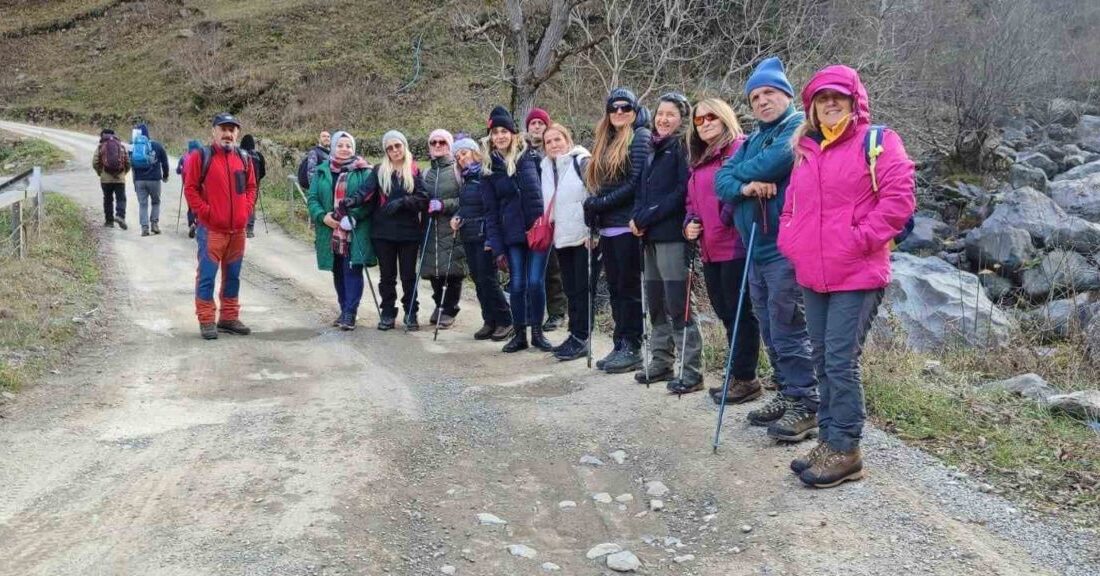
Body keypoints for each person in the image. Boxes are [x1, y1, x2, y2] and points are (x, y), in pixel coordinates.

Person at [780, 65, 915, 487]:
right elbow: (791, 209)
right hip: (813, 273)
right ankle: (828, 439)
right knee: (822, 358)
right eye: (822, 98)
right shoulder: (805, 150)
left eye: (838, 96)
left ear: (855, 101)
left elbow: (899, 199)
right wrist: (792, 242)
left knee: (840, 360)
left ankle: (847, 449)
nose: (830, 103)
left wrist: (859, 240)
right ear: (812, 108)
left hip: (858, 271)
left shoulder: (878, 141)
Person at [715, 56, 819, 444]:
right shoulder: (754, 137)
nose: (761, 101)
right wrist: (745, 186)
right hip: (754, 248)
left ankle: (807, 403)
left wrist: (744, 173)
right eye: (755, 96)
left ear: (788, 95)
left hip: (784, 248)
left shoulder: (797, 128)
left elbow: (778, 161)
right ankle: (786, 394)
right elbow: (721, 181)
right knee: (771, 328)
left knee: (788, 326)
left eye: (769, 93)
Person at [684, 98, 761, 403]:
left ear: (725, 117)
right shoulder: (700, 159)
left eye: (711, 117)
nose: (704, 123)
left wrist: (725, 217)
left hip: (736, 243)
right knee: (725, 312)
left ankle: (746, 378)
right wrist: (690, 222)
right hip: (710, 247)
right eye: (699, 120)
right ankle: (737, 373)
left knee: (741, 313)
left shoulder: (740, 148)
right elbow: (692, 202)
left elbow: (740, 189)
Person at [630, 92, 703, 393]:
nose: (663, 119)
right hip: (649, 237)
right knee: (656, 300)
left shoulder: (683, 149)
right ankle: (661, 361)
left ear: (681, 119)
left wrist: (646, 216)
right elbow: (641, 190)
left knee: (679, 302)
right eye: (660, 114)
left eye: (670, 114)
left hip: (673, 236)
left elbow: (680, 193)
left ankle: (692, 371)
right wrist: (636, 217)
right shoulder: (652, 148)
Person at [583, 88, 652, 374]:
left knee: (629, 288)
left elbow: (636, 182)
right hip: (609, 228)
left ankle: (633, 346)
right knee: (614, 289)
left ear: (635, 110)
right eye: (614, 108)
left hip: (627, 226)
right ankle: (620, 341)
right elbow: (603, 184)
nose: (620, 112)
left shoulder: (640, 137)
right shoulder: (606, 141)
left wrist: (599, 203)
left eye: (626, 108)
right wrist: (596, 214)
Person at [338, 130, 427, 331]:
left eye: (397, 146)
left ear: (404, 146)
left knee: (408, 276)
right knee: (387, 276)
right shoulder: (379, 171)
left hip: (408, 233)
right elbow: (365, 192)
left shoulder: (414, 171)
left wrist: (404, 202)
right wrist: (352, 201)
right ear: (386, 151)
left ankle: (411, 311)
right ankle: (387, 312)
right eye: (390, 147)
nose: (395, 150)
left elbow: (423, 199)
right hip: (383, 233)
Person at [182, 112, 257, 340]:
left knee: (233, 276)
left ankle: (228, 318)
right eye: (223, 129)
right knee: (207, 275)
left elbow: (252, 187)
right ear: (213, 131)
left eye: (232, 129)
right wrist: (206, 213)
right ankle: (206, 319)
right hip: (211, 229)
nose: (228, 133)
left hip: (237, 231)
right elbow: (191, 188)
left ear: (237, 134)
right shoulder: (200, 157)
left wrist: (245, 209)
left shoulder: (244, 159)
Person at [480, 105, 549, 353]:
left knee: (535, 282)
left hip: (538, 229)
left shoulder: (531, 157)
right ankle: (520, 334)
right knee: (518, 284)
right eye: (495, 132)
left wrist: (548, 221)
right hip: (512, 235)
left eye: (504, 131)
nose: (500, 136)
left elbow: (547, 190)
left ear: (512, 133)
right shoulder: (488, 170)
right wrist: (497, 247)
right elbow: (490, 212)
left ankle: (538, 333)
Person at [538, 123, 595, 362]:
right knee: (571, 290)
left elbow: (595, 195)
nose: (553, 145)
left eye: (557, 139)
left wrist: (594, 231)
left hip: (583, 237)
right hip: (562, 237)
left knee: (583, 290)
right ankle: (574, 335)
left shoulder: (581, 161)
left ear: (567, 139)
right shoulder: (548, 168)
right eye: (549, 141)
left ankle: (583, 338)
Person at [307, 131, 375, 330]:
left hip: (355, 230)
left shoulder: (365, 171)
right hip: (330, 232)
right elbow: (312, 199)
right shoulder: (322, 171)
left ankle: (350, 313)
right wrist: (322, 216)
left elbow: (370, 201)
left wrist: (354, 217)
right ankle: (343, 308)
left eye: (349, 146)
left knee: (352, 269)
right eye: (340, 145)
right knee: (337, 271)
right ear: (333, 147)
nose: (345, 149)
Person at [452, 137, 514, 341]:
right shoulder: (467, 179)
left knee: (488, 279)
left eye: (464, 153)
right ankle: (489, 320)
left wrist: (492, 238)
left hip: (485, 234)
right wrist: (458, 216)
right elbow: (468, 205)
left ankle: (505, 319)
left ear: (474, 152)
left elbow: (492, 206)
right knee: (478, 279)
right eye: (458, 156)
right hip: (468, 232)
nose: (461, 158)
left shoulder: (485, 173)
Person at [525, 107, 568, 333]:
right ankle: (533, 314)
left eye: (541, 124)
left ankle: (557, 312)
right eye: (533, 124)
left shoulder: (554, 151)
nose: (537, 127)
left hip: (556, 216)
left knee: (554, 268)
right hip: (534, 218)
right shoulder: (523, 151)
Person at [422, 129, 467, 328]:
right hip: (431, 228)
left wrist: (444, 204)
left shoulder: (458, 170)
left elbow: (466, 199)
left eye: (442, 142)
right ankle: (438, 305)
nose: (438, 145)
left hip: (452, 226)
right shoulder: (426, 172)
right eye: (434, 142)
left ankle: (450, 308)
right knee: (435, 270)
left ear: (449, 145)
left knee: (453, 271)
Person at [129, 123, 170, 236]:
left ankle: (144, 227)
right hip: (154, 180)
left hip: (139, 180)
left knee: (143, 204)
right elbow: (165, 162)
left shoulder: (132, 146)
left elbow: (130, 164)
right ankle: (154, 224)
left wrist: (134, 182)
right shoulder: (157, 145)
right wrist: (165, 175)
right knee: (155, 202)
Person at [92, 128, 130, 230]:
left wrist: (101, 173)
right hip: (119, 178)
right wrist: (123, 173)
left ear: (102, 136)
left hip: (106, 179)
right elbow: (128, 162)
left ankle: (109, 221)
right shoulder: (121, 146)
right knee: (121, 198)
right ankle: (120, 216)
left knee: (108, 199)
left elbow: (95, 162)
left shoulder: (101, 146)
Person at [241, 134, 267, 238]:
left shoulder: (239, 154)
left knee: (240, 205)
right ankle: (250, 229)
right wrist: (258, 179)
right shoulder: (259, 156)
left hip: (240, 185)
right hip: (255, 184)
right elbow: (263, 172)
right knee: (251, 205)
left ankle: (241, 227)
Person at [177, 139, 202, 238]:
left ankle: (191, 223)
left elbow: (178, 171)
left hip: (188, 187)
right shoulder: (202, 156)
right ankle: (198, 225)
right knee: (200, 207)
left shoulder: (184, 157)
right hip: (200, 187)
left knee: (191, 207)